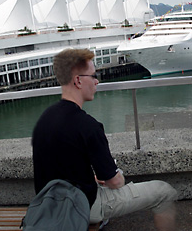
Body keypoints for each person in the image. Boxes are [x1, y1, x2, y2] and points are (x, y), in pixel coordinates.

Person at [32, 48, 179, 229]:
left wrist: (91, 178)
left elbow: (58, 168)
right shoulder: (88, 125)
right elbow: (115, 182)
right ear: (78, 80)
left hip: (49, 204)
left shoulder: (45, 118)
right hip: (82, 207)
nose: (97, 81)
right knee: (164, 191)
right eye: (93, 76)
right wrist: (117, 177)